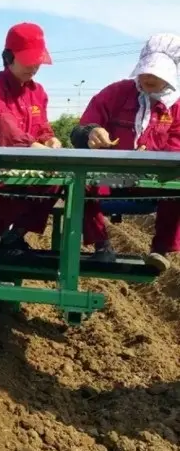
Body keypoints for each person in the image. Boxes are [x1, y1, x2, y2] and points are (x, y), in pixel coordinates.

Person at [0, 22, 110, 258]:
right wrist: (35, 147)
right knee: (27, 183)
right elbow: (4, 128)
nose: (34, 67)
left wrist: (51, 141)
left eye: (38, 61)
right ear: (9, 57)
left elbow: (42, 128)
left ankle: (15, 235)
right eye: (28, 60)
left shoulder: (38, 92)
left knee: (56, 179)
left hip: (23, 167)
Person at [71, 33, 180, 272]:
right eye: (147, 71)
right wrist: (92, 132)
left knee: (176, 187)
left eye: (158, 74)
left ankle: (160, 250)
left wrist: (152, 156)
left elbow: (176, 146)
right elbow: (79, 130)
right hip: (109, 177)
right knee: (79, 182)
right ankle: (102, 245)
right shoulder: (115, 94)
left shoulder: (175, 107)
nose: (150, 77)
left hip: (152, 181)